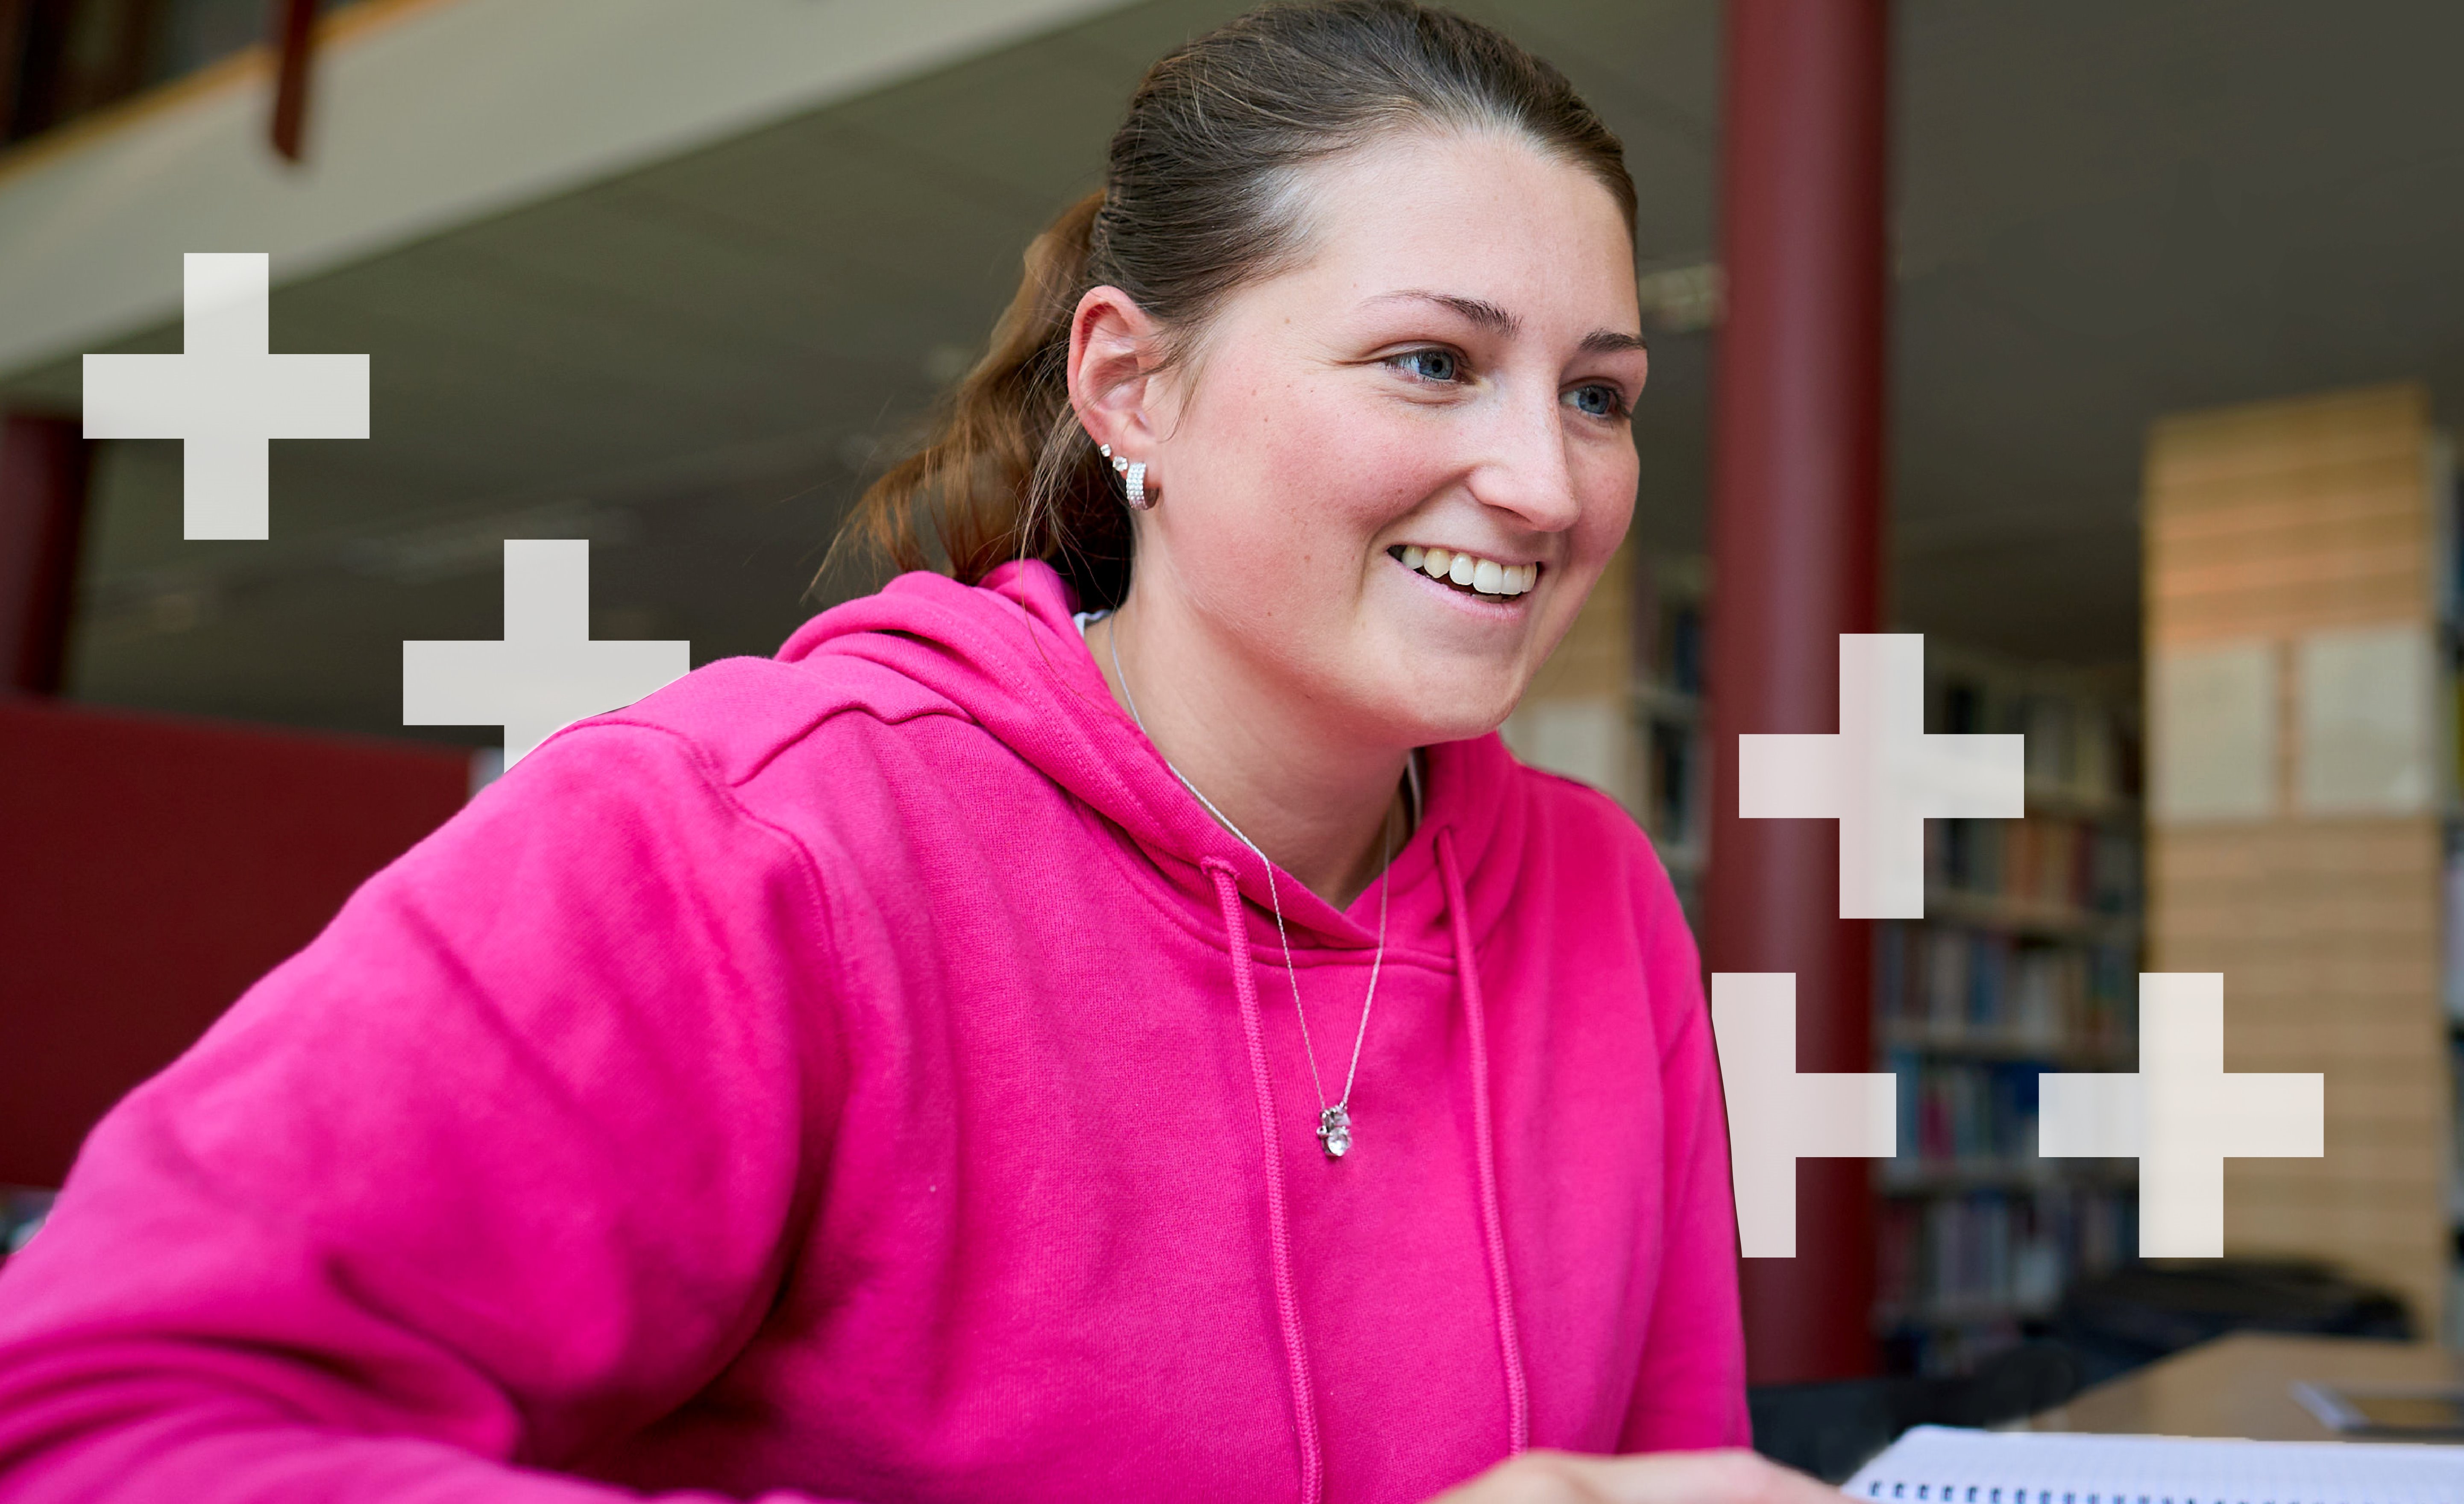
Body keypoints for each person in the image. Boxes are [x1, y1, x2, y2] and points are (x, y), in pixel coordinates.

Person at [0, 6, 1831, 1502]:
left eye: (1600, 392)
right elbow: (93, 1422)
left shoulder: (1600, 899)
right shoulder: (737, 834)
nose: (1545, 480)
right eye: (1434, 361)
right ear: (1131, 388)